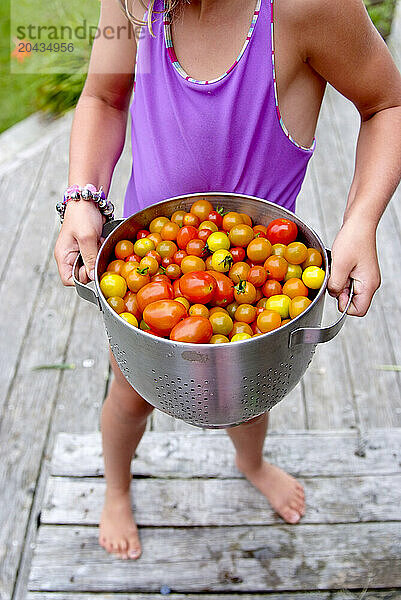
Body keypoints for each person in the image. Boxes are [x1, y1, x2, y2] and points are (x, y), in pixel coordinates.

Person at [54, 0, 401, 560]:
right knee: (128, 394)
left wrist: (361, 221)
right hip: (146, 272)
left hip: (261, 286)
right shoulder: (135, 2)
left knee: (250, 397)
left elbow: (387, 102)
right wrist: (82, 196)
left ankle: (251, 462)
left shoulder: (307, 8)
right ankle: (116, 489)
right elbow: (102, 97)